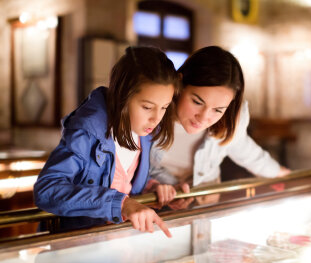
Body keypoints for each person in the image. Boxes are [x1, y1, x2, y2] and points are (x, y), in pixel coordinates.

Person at [34, 46, 180, 237]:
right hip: (75, 246)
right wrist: (120, 203)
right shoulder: (86, 133)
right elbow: (47, 190)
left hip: (116, 243)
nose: (156, 118)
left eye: (164, 107)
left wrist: (152, 187)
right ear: (122, 96)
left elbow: (124, 183)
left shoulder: (145, 134)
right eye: (147, 107)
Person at [147, 46, 290, 207]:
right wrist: (158, 187)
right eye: (197, 102)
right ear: (180, 83)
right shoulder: (151, 111)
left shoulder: (231, 119)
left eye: (218, 110)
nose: (203, 117)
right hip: (152, 203)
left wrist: (279, 173)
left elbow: (245, 150)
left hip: (205, 204)